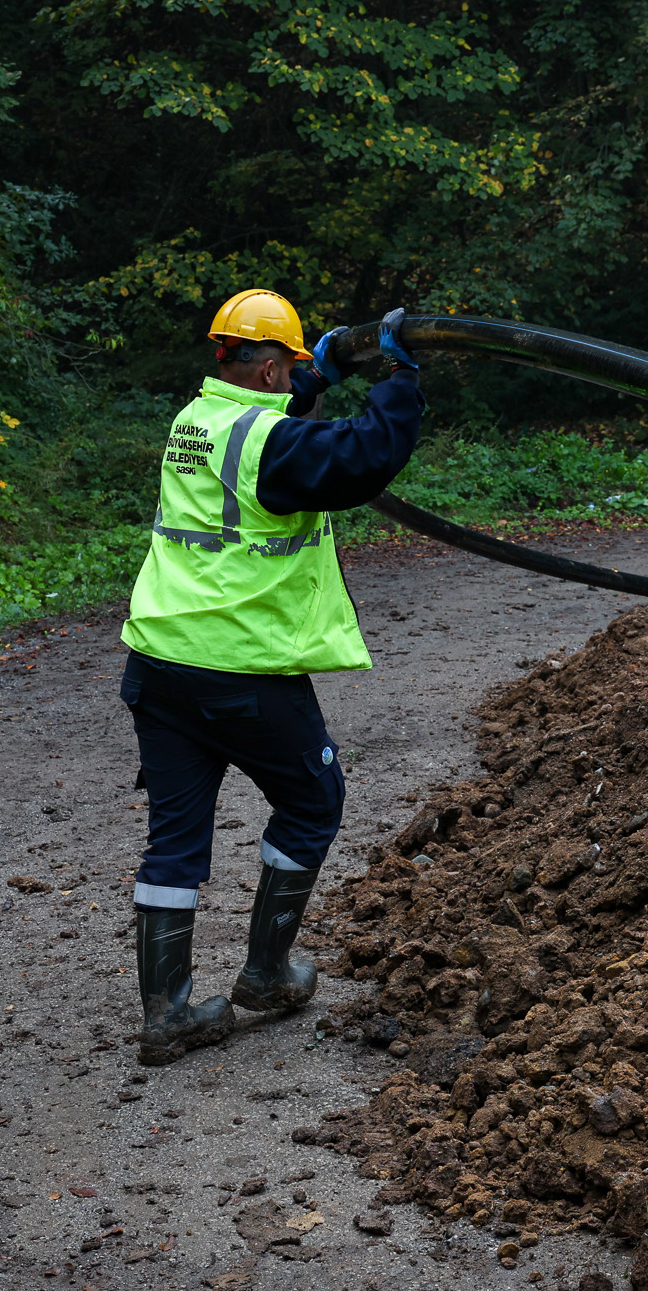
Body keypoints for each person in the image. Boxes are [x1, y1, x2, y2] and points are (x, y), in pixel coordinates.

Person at [118, 290, 425, 1065]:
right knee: (313, 799)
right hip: (241, 671)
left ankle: (168, 1014)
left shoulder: (195, 420)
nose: (292, 381)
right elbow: (361, 457)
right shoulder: (270, 442)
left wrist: (312, 377)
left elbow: (268, 431)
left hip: (159, 664)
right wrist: (399, 378)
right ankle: (265, 971)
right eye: (287, 367)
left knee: (174, 841)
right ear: (264, 369)